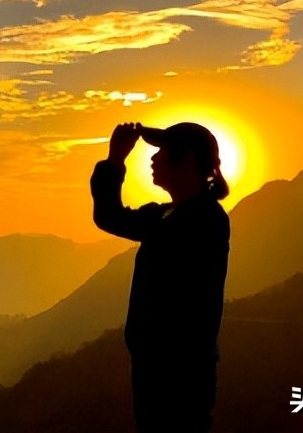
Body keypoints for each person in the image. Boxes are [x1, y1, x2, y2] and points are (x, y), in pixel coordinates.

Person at [90, 121, 231, 433]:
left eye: (163, 152)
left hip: (181, 374)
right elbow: (108, 217)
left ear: (188, 160)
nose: (153, 159)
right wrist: (115, 161)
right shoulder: (166, 215)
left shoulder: (205, 220)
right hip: (153, 367)